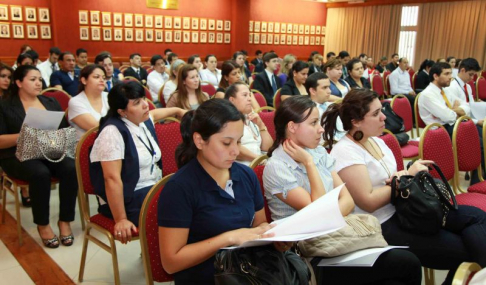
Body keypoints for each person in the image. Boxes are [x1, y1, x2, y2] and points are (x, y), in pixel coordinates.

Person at [323, 88, 486, 285]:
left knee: (479, 218)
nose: (384, 117)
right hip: (384, 223)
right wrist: (406, 176)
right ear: (355, 122)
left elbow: (394, 177)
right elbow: (369, 201)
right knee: (466, 250)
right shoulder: (345, 152)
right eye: (375, 114)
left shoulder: (376, 141)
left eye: (381, 110)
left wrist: (400, 177)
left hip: (406, 207)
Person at [263, 95, 422, 285]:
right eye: (314, 123)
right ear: (292, 127)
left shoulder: (317, 151)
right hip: (307, 254)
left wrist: (328, 213)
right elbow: (318, 209)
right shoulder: (277, 167)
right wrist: (309, 164)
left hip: (336, 237)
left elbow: (347, 200)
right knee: (405, 265)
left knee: (404, 267)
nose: (321, 129)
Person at [158, 99, 276, 284]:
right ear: (199, 141)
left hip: (248, 270)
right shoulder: (179, 189)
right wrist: (228, 238)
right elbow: (171, 263)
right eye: (226, 143)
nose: (236, 151)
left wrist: (272, 237)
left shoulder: (245, 175)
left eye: (238, 142)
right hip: (207, 277)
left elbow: (260, 223)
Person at [89, 81, 186, 243]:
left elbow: (156, 113)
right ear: (122, 111)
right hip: (128, 198)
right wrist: (120, 219)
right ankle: (173, 258)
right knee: (183, 210)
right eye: (137, 103)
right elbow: (111, 179)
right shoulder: (112, 132)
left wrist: (178, 110)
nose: (145, 105)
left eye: (143, 99)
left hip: (153, 188)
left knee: (195, 198)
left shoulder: (143, 121)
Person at [0, 65, 78, 248]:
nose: (38, 83)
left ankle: (65, 221)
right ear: (19, 82)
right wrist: (25, 135)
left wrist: (56, 136)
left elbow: (64, 130)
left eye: (39, 79)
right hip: (16, 155)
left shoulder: (50, 102)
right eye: (32, 79)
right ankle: (43, 225)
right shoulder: (4, 105)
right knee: (40, 173)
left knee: (70, 167)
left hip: (47, 149)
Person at [224, 82, 273, 166]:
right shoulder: (226, 121)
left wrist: (261, 125)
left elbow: (268, 148)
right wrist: (259, 160)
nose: (250, 99)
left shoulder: (251, 117)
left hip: (260, 164)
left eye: (250, 95)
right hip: (240, 168)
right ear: (232, 100)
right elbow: (235, 150)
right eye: (245, 95)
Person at [68, 64, 109, 140]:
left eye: (103, 78)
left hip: (110, 142)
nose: (101, 80)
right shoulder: (76, 102)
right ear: (84, 80)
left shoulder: (109, 97)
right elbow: (96, 127)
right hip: (86, 148)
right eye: (96, 77)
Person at [305, 72, 346, 141]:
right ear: (313, 91)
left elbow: (341, 129)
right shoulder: (308, 112)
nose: (329, 91)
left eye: (329, 87)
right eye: (324, 88)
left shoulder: (331, 106)